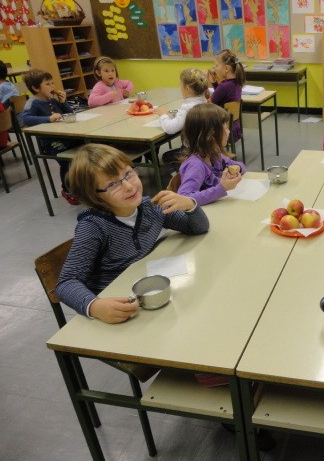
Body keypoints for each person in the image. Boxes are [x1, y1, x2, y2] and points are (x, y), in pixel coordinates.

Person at [56, 143, 209, 324]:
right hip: (118, 307)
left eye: (128, 173)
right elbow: (66, 283)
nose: (128, 186)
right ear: (94, 196)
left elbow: (198, 228)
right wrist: (95, 306)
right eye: (113, 184)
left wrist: (190, 205)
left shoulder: (149, 207)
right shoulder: (93, 227)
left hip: (145, 296)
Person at [22, 69, 82, 204]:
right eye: (48, 84)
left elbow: (70, 114)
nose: (52, 86)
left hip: (66, 137)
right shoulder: (33, 102)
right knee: (67, 161)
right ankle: (67, 190)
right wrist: (48, 118)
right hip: (51, 143)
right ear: (35, 88)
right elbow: (26, 119)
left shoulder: (53, 100)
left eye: (52, 83)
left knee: (87, 149)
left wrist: (63, 102)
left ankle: (83, 184)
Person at [177, 103, 245, 205]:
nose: (229, 131)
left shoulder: (214, 156)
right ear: (212, 135)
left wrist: (237, 168)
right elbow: (184, 198)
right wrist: (222, 188)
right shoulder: (196, 165)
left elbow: (241, 165)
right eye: (226, 128)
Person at [156, 68, 210, 167]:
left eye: (180, 85)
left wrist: (163, 115)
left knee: (166, 157)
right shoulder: (205, 102)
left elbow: (170, 128)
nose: (179, 88)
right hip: (207, 148)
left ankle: (182, 173)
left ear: (187, 88)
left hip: (192, 151)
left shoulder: (187, 108)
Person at [207, 49, 245, 144]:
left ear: (226, 68)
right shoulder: (236, 83)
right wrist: (214, 83)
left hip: (222, 130)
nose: (215, 69)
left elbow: (209, 104)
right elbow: (220, 97)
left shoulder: (224, 86)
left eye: (216, 65)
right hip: (233, 127)